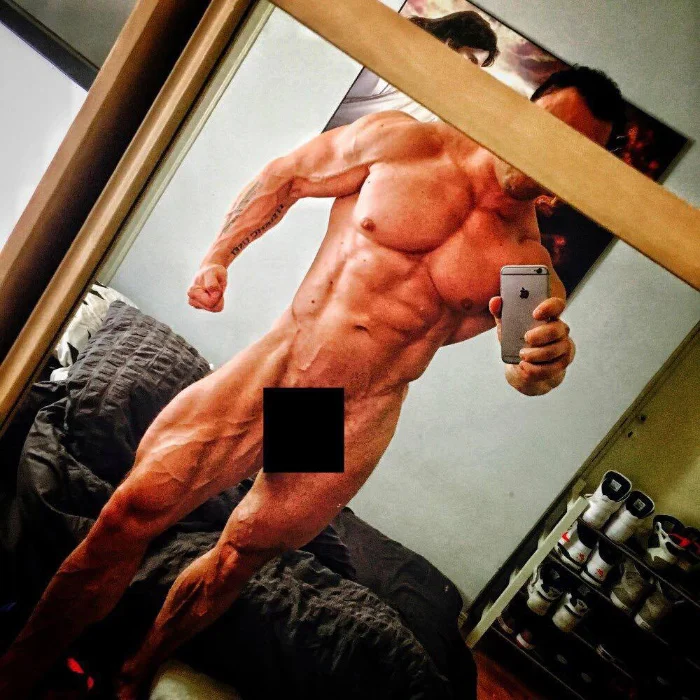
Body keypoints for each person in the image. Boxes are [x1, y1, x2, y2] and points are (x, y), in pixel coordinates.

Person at [0, 66, 625, 699]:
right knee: (131, 513)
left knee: (236, 561)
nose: (550, 160)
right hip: (284, 363)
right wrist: (219, 257)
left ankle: (138, 673)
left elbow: (524, 364)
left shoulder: (526, 265)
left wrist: (543, 364)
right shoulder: (405, 143)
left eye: (575, 156)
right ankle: (18, 671)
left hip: (352, 414)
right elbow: (288, 176)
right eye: (550, 132)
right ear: (522, 110)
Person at [326, 10, 499, 128]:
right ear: (450, 44)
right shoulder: (390, 58)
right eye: (471, 60)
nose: (472, 74)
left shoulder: (434, 107)